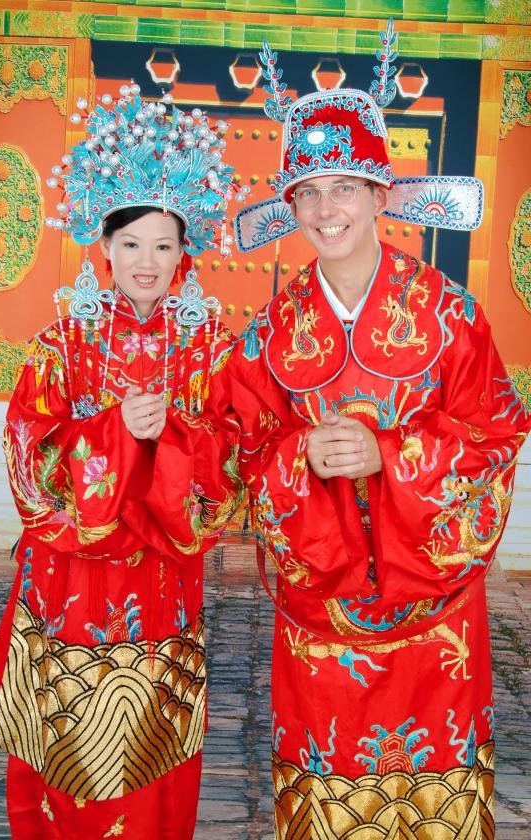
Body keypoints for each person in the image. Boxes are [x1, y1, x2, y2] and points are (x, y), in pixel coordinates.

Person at [228, 35, 531, 838]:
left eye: (345, 188)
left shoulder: (452, 314)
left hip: (434, 623)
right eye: (309, 193)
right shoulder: (267, 336)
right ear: (290, 207)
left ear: (378, 193)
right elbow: (242, 452)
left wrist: (389, 458)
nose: (328, 211)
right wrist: (300, 459)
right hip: (319, 620)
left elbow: (495, 434)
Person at [0, 84, 243, 838]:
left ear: (184, 250)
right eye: (130, 243)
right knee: (71, 751)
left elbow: (232, 460)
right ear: (103, 246)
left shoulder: (209, 348)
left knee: (152, 750)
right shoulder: (61, 341)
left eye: (164, 244)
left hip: (162, 584)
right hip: (72, 584)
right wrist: (111, 432)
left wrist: (178, 439)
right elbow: (27, 453)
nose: (147, 262)